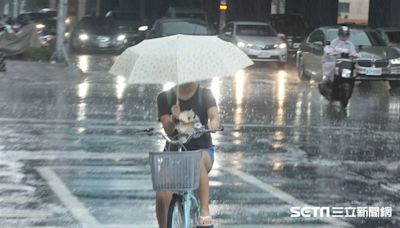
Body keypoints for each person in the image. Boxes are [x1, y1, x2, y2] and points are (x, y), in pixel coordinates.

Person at [156, 82, 220, 228]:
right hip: (174, 153)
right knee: (162, 195)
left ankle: (204, 211)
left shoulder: (205, 94)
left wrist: (214, 123)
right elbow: (168, 130)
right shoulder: (165, 98)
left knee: (195, 159)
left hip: (202, 151)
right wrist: (174, 117)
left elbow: (214, 115)